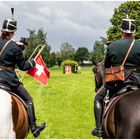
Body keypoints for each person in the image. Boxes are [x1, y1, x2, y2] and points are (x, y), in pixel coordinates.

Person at [91, 17, 140, 137]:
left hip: (118, 81)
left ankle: (98, 129)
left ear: (121, 31)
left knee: (98, 98)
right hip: (138, 81)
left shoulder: (113, 46)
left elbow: (107, 67)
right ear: (134, 32)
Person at [0, 18, 46, 137]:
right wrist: (33, 62)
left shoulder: (12, 45)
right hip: (8, 80)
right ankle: (34, 128)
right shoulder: (14, 47)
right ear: (13, 32)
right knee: (29, 99)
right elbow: (23, 66)